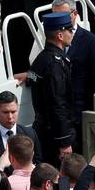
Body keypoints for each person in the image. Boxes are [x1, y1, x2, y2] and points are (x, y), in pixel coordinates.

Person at [51, 0, 95, 151]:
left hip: (80, 115)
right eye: (55, 16)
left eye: (63, 15)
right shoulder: (50, 38)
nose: (58, 20)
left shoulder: (91, 41)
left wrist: (94, 116)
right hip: (60, 115)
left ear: (75, 14)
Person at [28, 12, 76, 165]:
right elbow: (58, 103)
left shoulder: (41, 58)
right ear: (60, 35)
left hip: (43, 129)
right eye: (70, 30)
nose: (72, 33)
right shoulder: (55, 64)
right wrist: (64, 141)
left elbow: (31, 78)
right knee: (58, 179)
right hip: (54, 135)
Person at [0, 91, 42, 165]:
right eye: (5, 112)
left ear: (18, 108)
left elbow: (38, 162)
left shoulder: (30, 134)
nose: (10, 117)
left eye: (13, 112)